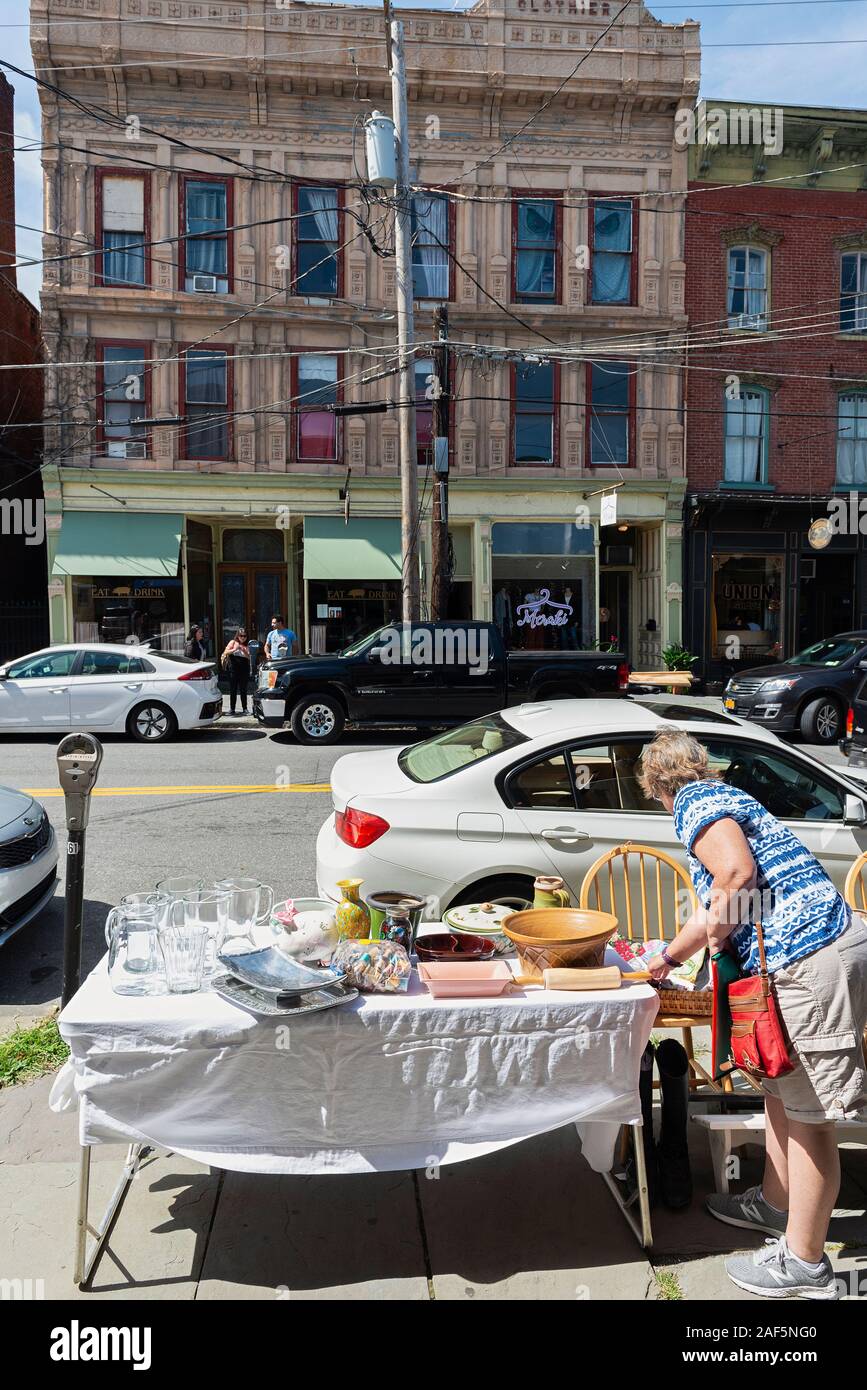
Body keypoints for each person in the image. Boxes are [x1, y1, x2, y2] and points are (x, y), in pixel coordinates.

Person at [638, 727, 867, 1301]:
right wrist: (664, 960)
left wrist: (718, 935)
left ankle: (807, 1266)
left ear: (658, 785)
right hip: (814, 951)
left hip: (808, 961)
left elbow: (735, 877)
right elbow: (728, 889)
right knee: (780, 1091)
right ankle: (775, 1205)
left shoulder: (695, 802)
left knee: (811, 1116)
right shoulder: (723, 798)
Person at [222, 627, 252, 714]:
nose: (243, 638)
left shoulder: (247, 645)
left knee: (243, 689)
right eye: (241, 636)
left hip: (244, 670)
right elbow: (225, 652)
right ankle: (232, 709)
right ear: (237, 636)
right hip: (233, 669)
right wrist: (234, 649)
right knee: (233, 689)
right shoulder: (233, 642)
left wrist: (244, 650)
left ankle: (245, 708)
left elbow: (249, 657)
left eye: (244, 636)